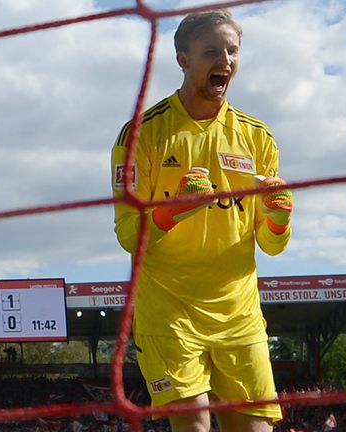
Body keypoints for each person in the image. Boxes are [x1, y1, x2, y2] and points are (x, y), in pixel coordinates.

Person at [110, 9, 293, 432]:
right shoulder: (141, 134)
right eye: (212, 51)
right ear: (183, 59)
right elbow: (128, 234)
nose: (225, 61)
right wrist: (176, 208)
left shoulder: (258, 137)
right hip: (170, 314)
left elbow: (271, 244)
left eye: (232, 51)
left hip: (240, 316)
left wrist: (279, 218)